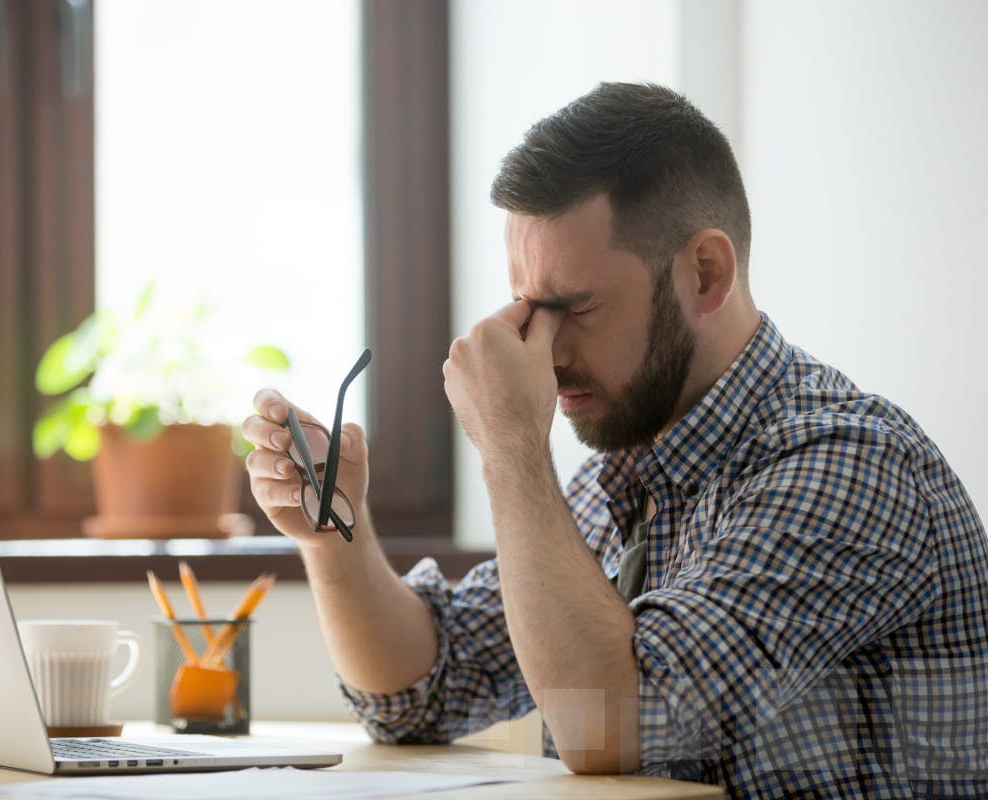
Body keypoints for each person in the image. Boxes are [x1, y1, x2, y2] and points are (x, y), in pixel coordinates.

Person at [241, 82, 988, 798]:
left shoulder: (847, 465)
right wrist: (332, 539)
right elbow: (421, 691)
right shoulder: (629, 479)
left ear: (705, 274)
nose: (546, 350)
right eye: (529, 309)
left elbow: (614, 727)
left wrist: (511, 445)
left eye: (576, 307)